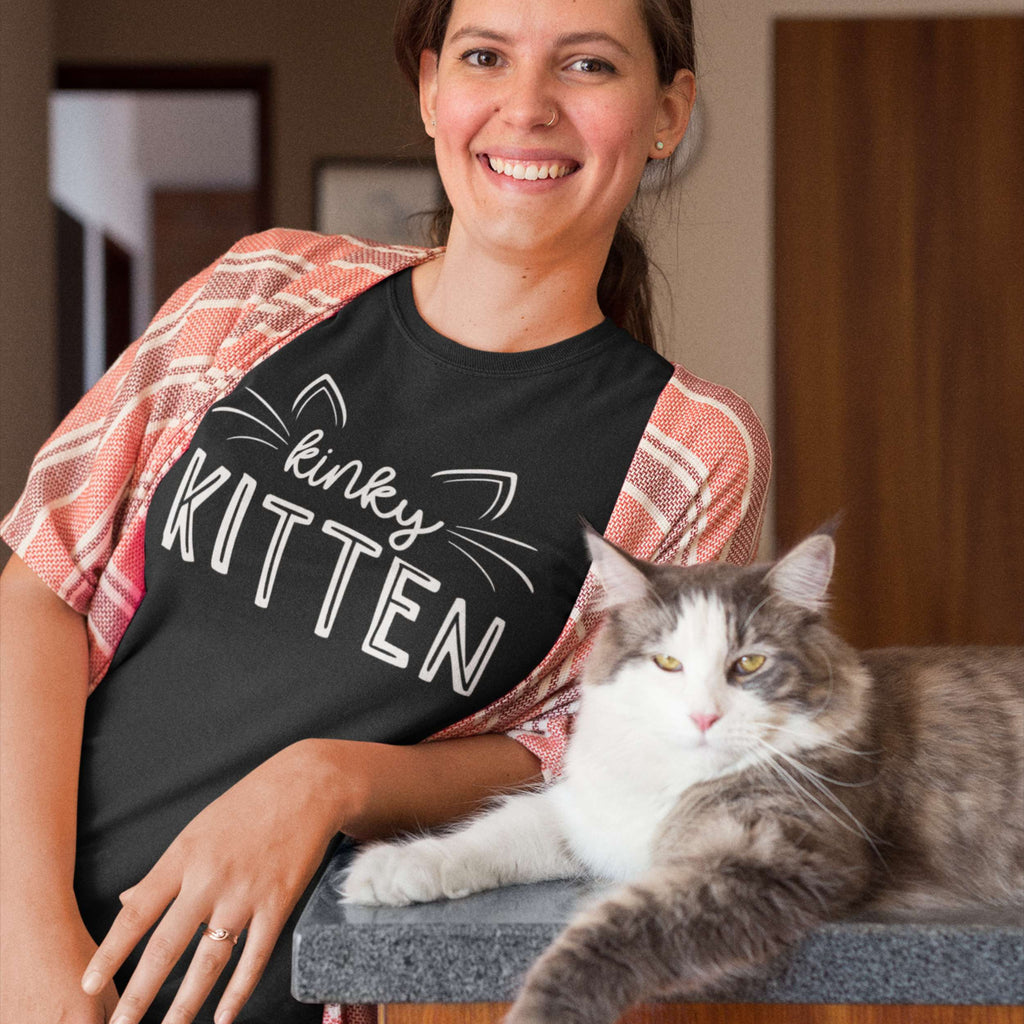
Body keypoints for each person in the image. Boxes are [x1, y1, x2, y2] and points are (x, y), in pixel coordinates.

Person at [0, 0, 770, 1021]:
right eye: (485, 55)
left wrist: (329, 780)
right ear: (428, 86)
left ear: (666, 112)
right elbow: (39, 585)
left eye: (585, 65)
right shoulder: (261, 290)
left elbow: (602, 759)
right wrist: (33, 945)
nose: (526, 107)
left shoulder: (690, 447)